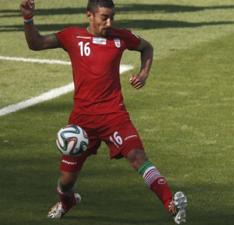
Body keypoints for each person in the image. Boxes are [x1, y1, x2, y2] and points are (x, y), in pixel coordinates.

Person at [20, 0, 187, 223]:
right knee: (66, 181)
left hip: (114, 116)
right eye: (103, 17)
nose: (109, 22)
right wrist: (28, 19)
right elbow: (36, 44)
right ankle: (67, 200)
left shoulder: (121, 37)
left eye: (112, 17)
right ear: (89, 15)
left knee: (138, 157)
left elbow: (147, 47)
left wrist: (144, 75)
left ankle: (171, 204)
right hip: (81, 123)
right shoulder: (72, 36)